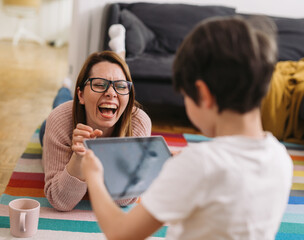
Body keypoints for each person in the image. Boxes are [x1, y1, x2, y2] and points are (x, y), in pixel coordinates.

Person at [81, 16, 293, 239]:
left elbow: (120, 232)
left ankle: (67, 91)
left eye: (185, 97)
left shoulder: (199, 164)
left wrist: (94, 176)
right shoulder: (280, 158)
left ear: (202, 94)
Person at [41, 49, 152, 212]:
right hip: (58, 121)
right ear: (81, 94)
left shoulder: (139, 122)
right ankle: (65, 87)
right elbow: (60, 201)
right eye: (99, 84)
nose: (111, 93)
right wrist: (78, 157)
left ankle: (66, 88)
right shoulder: (59, 121)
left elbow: (125, 199)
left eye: (120, 86)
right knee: (60, 102)